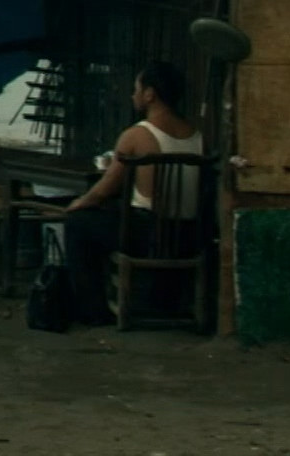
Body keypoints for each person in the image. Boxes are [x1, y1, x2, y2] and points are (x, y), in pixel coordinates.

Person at [61, 61, 201, 325]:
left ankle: (92, 311)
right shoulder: (198, 135)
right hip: (190, 236)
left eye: (136, 89)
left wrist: (79, 203)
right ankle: (163, 300)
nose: (133, 95)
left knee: (79, 223)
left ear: (150, 94)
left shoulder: (137, 135)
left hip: (148, 236)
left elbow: (104, 190)